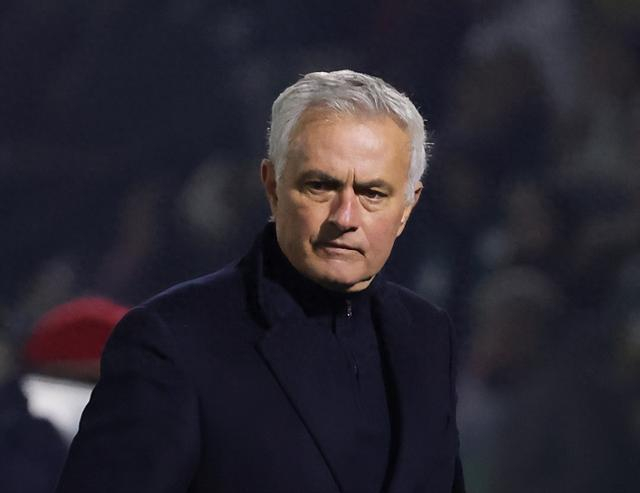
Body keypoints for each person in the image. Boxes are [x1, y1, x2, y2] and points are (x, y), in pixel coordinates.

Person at [55, 70, 465, 493]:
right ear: (272, 186)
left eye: (372, 194)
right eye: (320, 186)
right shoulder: (172, 341)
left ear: (407, 206)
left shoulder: (428, 335)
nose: (345, 218)